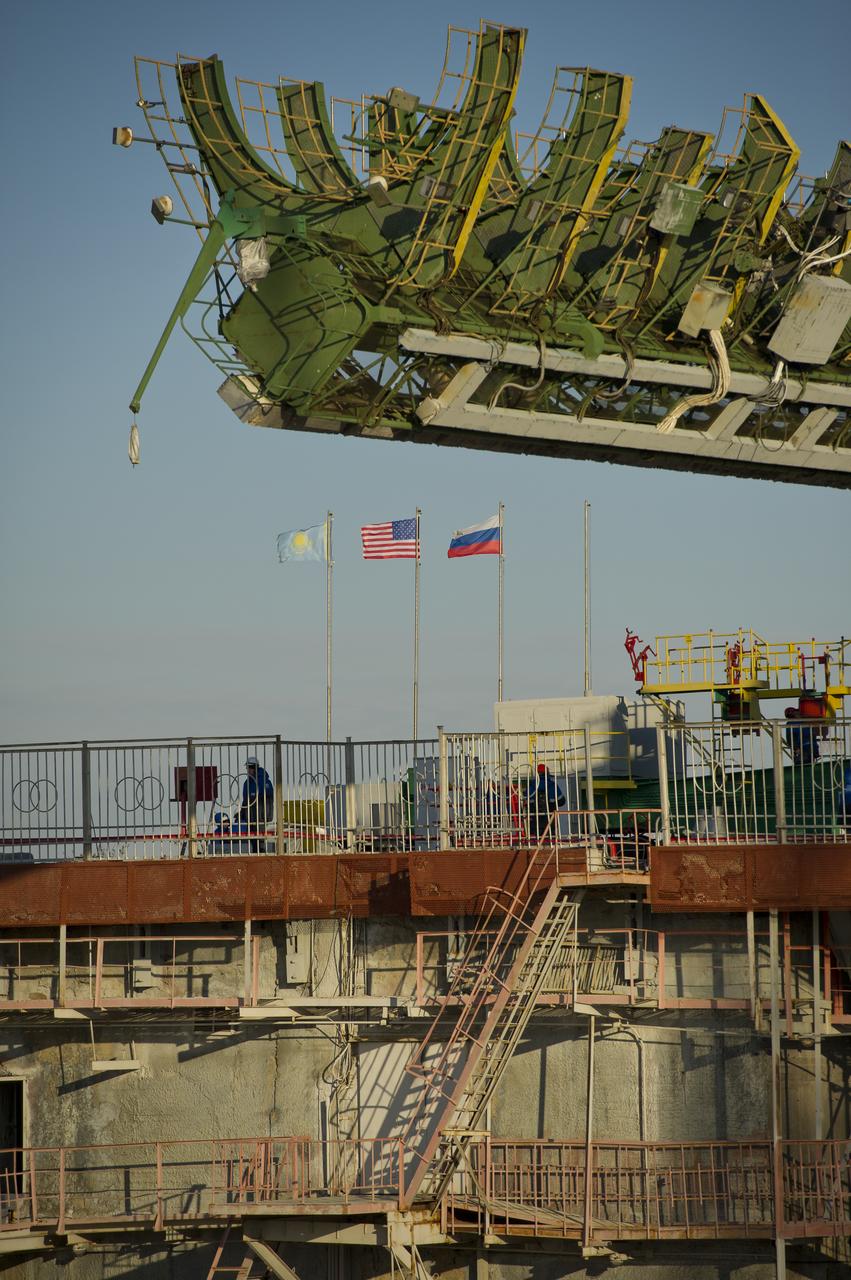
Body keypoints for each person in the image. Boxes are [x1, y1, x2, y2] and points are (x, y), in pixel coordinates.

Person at [526, 764, 565, 842]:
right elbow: (562, 801)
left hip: (535, 819)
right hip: (550, 818)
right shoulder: (552, 785)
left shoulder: (531, 785)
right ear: (547, 773)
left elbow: (526, 801)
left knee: (535, 841)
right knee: (551, 841)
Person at [239, 756, 274, 830]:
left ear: (254, 768)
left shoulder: (264, 781)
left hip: (260, 817)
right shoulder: (248, 782)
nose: (247, 770)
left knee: (259, 838)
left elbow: (267, 799)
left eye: (249, 768)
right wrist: (242, 813)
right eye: (247, 768)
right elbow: (245, 800)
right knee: (250, 838)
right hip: (250, 817)